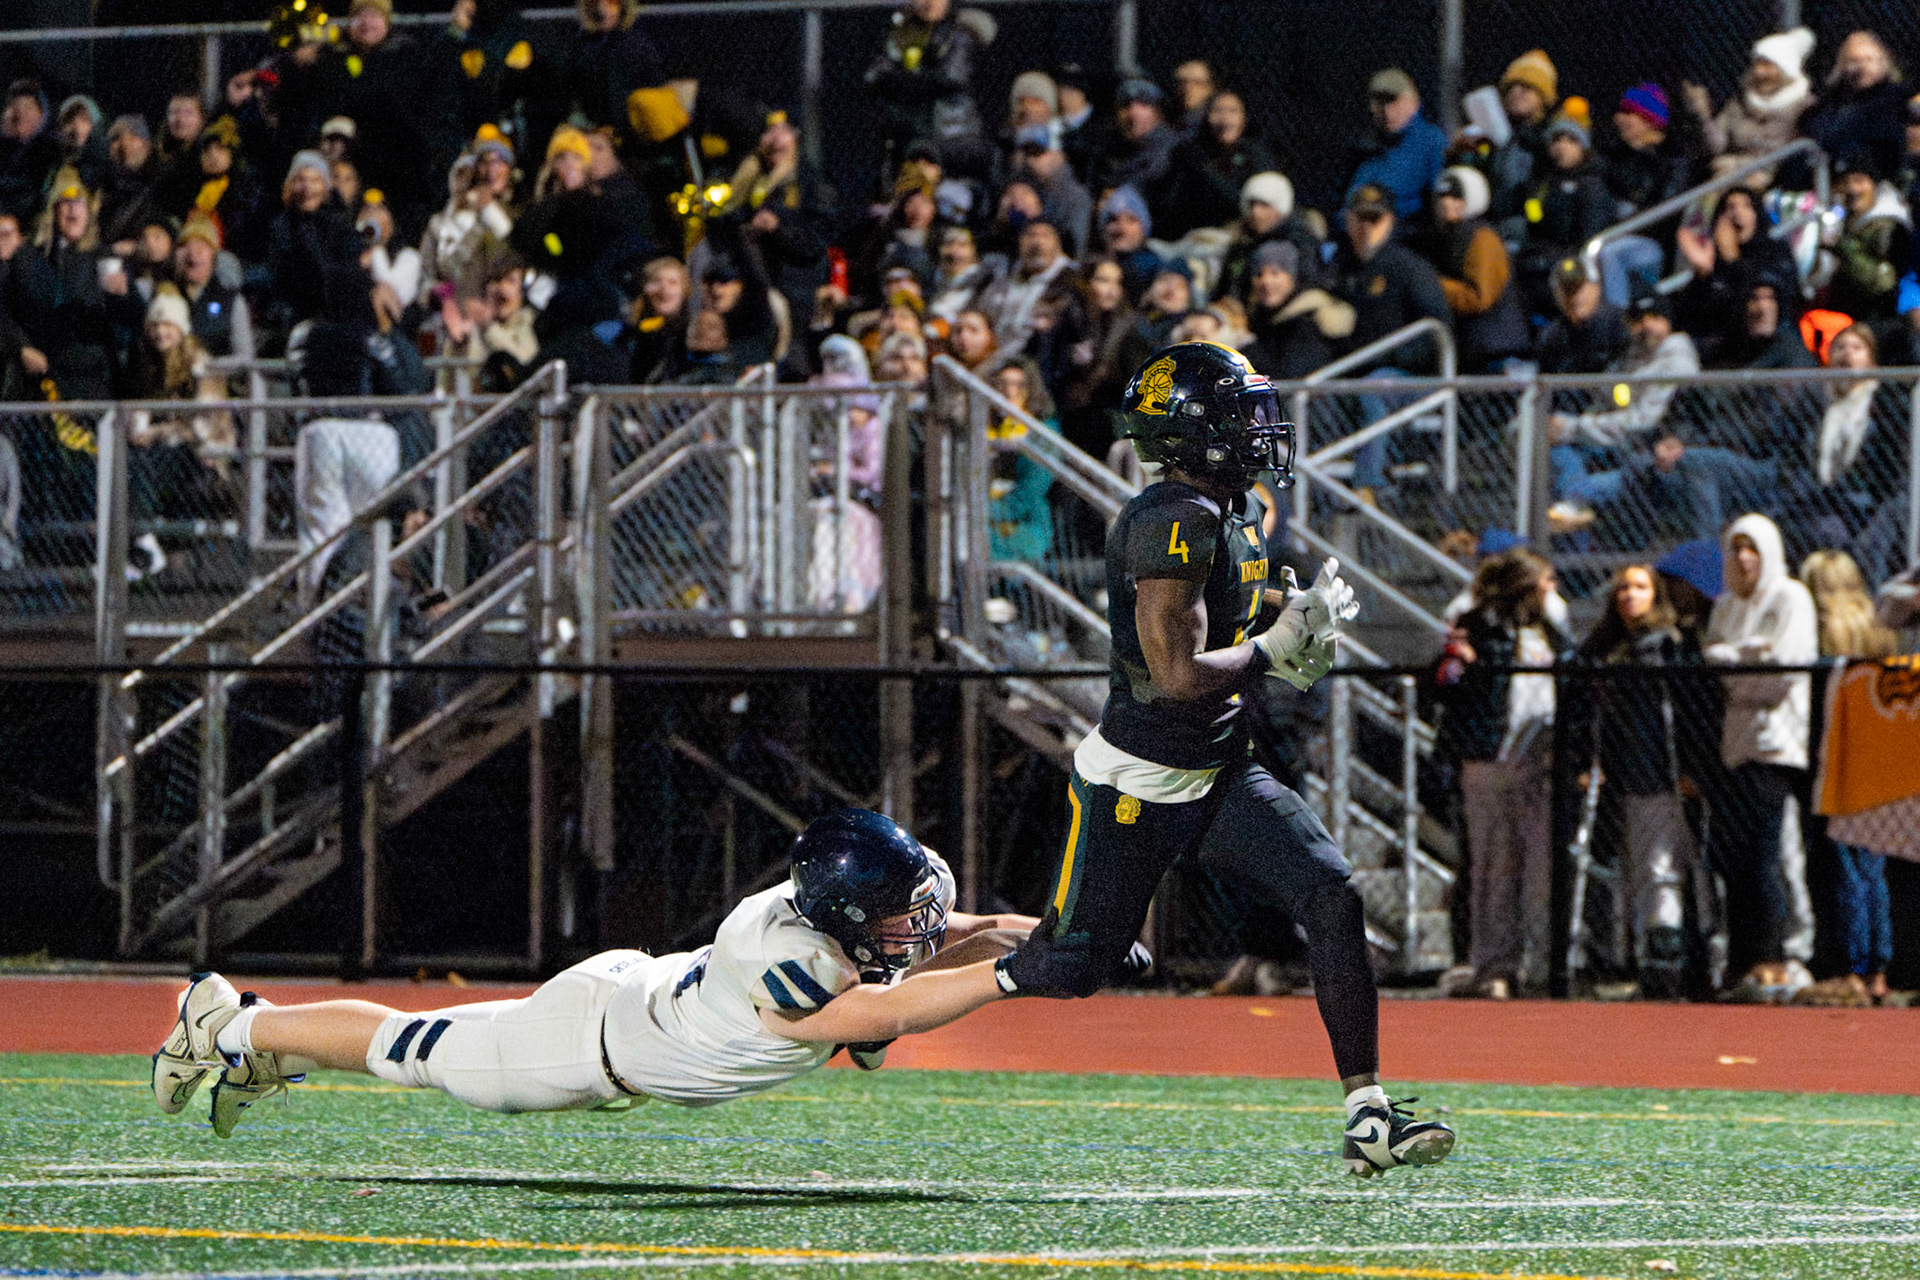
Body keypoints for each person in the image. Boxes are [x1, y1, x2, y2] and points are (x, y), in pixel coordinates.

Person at [996, 340, 1455, 1179]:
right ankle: (898, 994)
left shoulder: (1228, 509)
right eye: (1242, 414)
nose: (1259, 428)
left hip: (1218, 771)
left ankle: (1367, 1114)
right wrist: (1275, 651)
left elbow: (1229, 607)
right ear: (1192, 430)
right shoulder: (1174, 518)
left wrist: (1295, 614)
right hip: (1138, 780)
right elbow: (1176, 677)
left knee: (1331, 891)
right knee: (1067, 966)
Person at [152, 810, 1047, 1135]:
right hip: (585, 1047)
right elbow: (888, 1014)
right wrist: (1016, 977)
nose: (919, 924)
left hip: (634, 1001)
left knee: (421, 1040)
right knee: (408, 1048)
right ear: (847, 912)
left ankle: (258, 1044)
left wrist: (1067, 936)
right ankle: (230, 1022)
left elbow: (966, 933)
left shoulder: (822, 913)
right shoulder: (792, 961)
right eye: (897, 915)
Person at [1567, 565, 1708, 998]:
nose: (1629, 594)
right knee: (1628, 874)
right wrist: (1587, 762)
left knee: (1660, 869)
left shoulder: (1670, 646)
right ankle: (1632, 959)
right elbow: (1581, 710)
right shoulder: (1603, 649)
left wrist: (1690, 768)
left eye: (1640, 587)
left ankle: (1666, 967)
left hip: (1659, 775)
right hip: (1618, 779)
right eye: (1623, 587)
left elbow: (1691, 710)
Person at [1435, 547, 1568, 1000]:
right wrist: (1467, 661)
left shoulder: (1550, 630)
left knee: (1543, 868)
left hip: (1541, 759)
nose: (1551, 589)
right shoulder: (1479, 625)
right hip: (1491, 757)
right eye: (1544, 581)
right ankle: (1495, 963)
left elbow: (1573, 670)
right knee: (1495, 867)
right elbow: (1450, 686)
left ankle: (1546, 962)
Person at [1703, 513, 1819, 1004]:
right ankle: (1742, 959)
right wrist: (1748, 662)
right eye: (1735, 548)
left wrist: (1738, 668)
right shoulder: (1726, 605)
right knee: (1733, 858)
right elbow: (1721, 673)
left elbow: (1783, 676)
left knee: (1768, 854)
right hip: (1736, 746)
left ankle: (1777, 955)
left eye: (1752, 548)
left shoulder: (1790, 598)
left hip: (1777, 745)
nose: (1743, 558)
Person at [1797, 549, 1898, 1006]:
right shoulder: (1875, 624)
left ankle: (1850, 965)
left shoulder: (1823, 629)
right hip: (1878, 750)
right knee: (1871, 864)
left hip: (1836, 753)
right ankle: (1878, 966)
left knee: (1839, 862)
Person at [864, 0, 991, 179]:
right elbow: (874, 76)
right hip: (912, 137)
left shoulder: (961, 33)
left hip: (955, 138)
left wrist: (905, 81)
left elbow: (951, 78)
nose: (930, 2)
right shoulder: (901, 33)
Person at [1420, 166, 1529, 371]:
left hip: (1497, 353)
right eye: (1442, 196)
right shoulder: (1446, 237)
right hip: (1473, 351)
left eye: (1456, 197)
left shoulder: (1482, 238)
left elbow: (1479, 297)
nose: (1446, 203)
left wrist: (1431, 285)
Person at [1684, 28, 1816, 183]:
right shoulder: (1740, 103)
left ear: (1785, 71)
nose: (1759, 72)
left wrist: (1739, 164)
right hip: (1730, 178)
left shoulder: (1805, 107)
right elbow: (1717, 146)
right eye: (1757, 64)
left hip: (1778, 181)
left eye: (1767, 65)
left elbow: (1796, 156)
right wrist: (1704, 116)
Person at [1161, 90, 1277, 239]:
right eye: (1218, 111)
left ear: (1244, 118)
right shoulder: (1189, 153)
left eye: (1233, 111)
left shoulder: (1256, 155)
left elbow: (1246, 204)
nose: (1225, 119)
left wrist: (1204, 171)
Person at [1821, 150, 1911, 329]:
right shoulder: (1841, 218)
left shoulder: (1891, 227)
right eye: (1846, 182)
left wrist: (1843, 246)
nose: (1852, 189)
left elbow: (1883, 283)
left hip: (1880, 319)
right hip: (1844, 314)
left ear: (1874, 185)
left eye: (1859, 181)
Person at [1801, 32, 1908, 181]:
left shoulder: (1894, 99)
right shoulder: (1830, 102)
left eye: (1869, 60)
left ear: (1883, 62)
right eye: (1854, 61)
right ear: (1842, 65)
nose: (1862, 67)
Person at [1343, 69, 1446, 221]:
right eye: (1380, 102)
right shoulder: (1365, 148)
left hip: (1406, 229)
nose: (1387, 111)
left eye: (1393, 101)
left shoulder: (1431, 142)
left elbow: (1441, 200)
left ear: (1414, 102)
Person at [1242, 240, 1352, 379]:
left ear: (1292, 277)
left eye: (1275, 273)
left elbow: (1293, 374)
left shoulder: (1307, 321)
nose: (1266, 281)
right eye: (1259, 274)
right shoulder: (1261, 319)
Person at [1216, 171, 1321, 302]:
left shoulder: (1300, 247)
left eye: (1264, 205)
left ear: (1281, 209)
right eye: (1252, 204)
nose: (1256, 212)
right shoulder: (1242, 245)